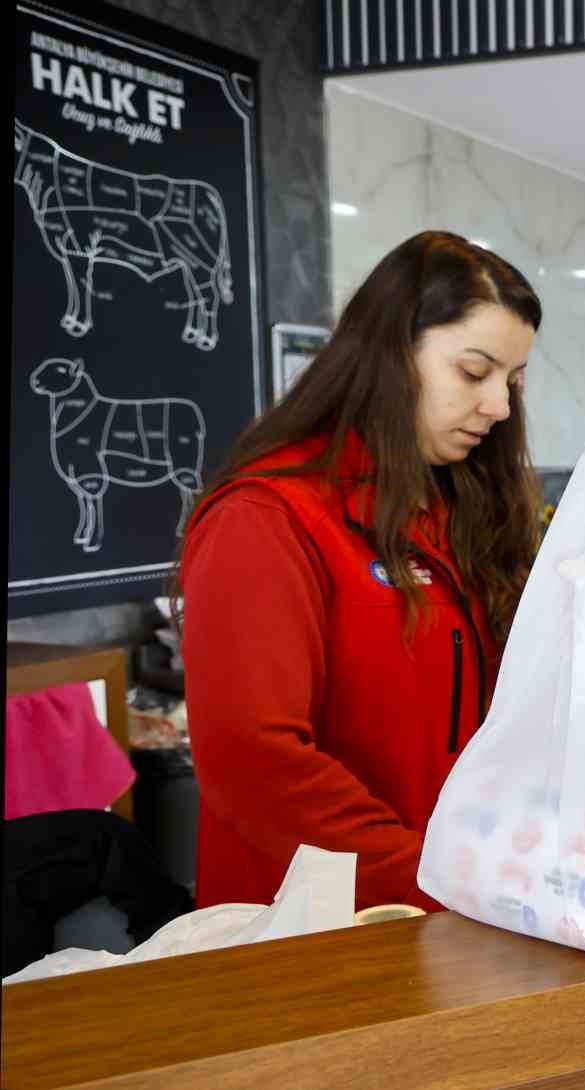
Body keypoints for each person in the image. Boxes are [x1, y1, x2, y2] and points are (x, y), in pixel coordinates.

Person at [177, 231, 544, 911]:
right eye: (473, 372)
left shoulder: (454, 510)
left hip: (449, 909)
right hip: (317, 926)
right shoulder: (268, 517)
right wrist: (432, 878)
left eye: (511, 382)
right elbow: (255, 764)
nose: (498, 406)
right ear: (391, 352)